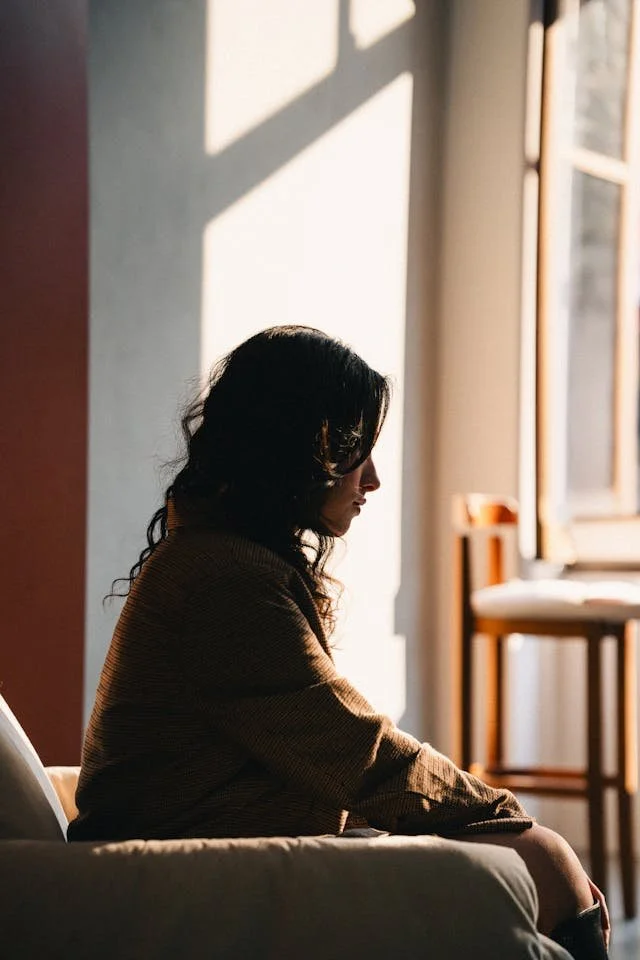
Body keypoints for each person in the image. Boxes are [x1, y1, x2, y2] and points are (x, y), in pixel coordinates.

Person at [69, 326, 609, 958]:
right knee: (540, 855)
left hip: (211, 839)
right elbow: (357, 752)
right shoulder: (225, 580)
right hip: (186, 863)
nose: (372, 478)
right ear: (297, 450)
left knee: (531, 855)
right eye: (357, 450)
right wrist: (504, 810)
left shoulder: (220, 558)